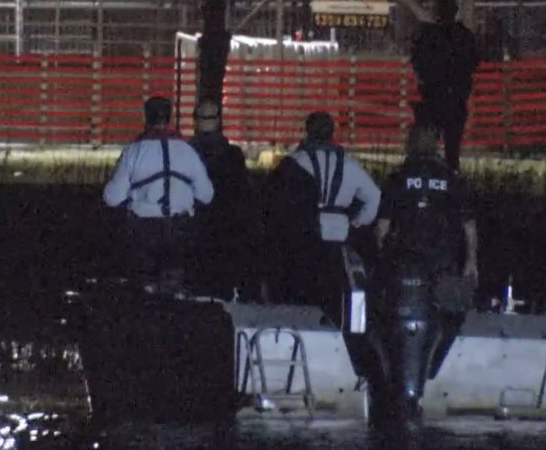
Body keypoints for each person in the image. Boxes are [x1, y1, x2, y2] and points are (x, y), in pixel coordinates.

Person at [371, 123, 478, 423]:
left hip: (403, 265)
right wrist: (471, 262)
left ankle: (394, 379)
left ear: (411, 143)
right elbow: (468, 227)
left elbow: (382, 229)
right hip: (442, 267)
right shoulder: (451, 178)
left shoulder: (398, 178)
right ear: (438, 144)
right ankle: (429, 370)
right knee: (449, 317)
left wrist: (380, 259)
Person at [262, 111, 381, 320]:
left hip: (304, 235)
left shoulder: (296, 161)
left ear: (307, 130)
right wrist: (357, 222)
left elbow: (273, 200)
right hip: (341, 235)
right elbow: (375, 197)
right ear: (332, 132)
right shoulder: (349, 164)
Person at [103, 96, 214, 290]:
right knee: (175, 284)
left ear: (146, 118)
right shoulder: (187, 151)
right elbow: (206, 195)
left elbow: (112, 198)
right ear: (170, 118)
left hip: (143, 232)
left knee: (144, 287)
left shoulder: (134, 152)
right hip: (180, 230)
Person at [398, 0, 480, 172]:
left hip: (432, 99)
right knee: (452, 149)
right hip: (456, 100)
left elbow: (420, 15)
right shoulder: (463, 35)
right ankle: (452, 180)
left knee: (424, 144)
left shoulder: (430, 34)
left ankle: (419, 175)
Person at [188, 99, 256, 299]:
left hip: (195, 228)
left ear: (195, 122)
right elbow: (244, 195)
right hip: (227, 231)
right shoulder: (233, 154)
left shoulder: (187, 153)